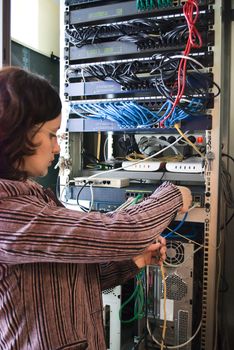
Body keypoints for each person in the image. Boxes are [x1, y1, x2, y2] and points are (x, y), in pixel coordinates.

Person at [0, 66, 192, 350]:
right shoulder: (7, 211)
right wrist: (174, 195)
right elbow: (121, 231)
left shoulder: (29, 199)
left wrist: (134, 260)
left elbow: (72, 280)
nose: (56, 149)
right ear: (21, 132)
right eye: (52, 135)